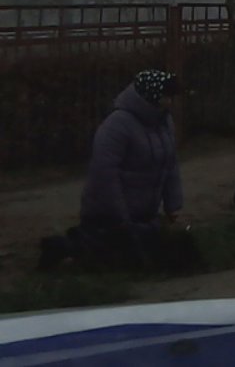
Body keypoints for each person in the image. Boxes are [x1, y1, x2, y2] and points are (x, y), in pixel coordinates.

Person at [42, 70, 186, 270]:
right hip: (109, 215)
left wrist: (173, 205)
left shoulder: (164, 122)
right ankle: (62, 248)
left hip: (144, 214)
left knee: (150, 253)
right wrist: (121, 216)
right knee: (107, 254)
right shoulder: (117, 125)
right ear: (150, 96)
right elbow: (104, 174)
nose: (170, 102)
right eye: (165, 96)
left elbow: (170, 164)